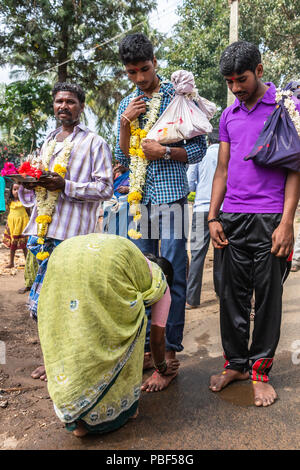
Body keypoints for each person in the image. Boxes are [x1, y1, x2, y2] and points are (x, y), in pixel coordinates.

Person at [208, 41, 300, 407]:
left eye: (241, 79)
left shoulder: (286, 110)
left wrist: (287, 222)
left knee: (268, 299)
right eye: (229, 81)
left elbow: (295, 169)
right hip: (232, 218)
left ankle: (260, 371)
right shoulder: (229, 116)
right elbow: (222, 169)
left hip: (270, 220)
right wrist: (213, 217)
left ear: (259, 71)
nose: (235, 88)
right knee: (230, 295)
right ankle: (236, 364)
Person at [115, 33, 207, 389]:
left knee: (173, 275)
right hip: (137, 204)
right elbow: (123, 158)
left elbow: (199, 149)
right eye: (132, 72)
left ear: (155, 61)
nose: (139, 78)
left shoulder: (177, 97)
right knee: (141, 279)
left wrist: (165, 153)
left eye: (145, 69)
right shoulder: (128, 103)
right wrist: (125, 124)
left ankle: (169, 354)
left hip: (170, 199)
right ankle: (146, 350)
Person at [37, 233, 179, 437]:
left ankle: (73, 413)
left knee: (74, 331)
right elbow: (157, 339)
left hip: (63, 255)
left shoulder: (134, 262)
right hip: (100, 264)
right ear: (166, 278)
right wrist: (162, 367)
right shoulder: (160, 282)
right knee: (129, 327)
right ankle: (110, 414)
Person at [18, 82, 113, 380]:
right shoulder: (48, 142)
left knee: (60, 303)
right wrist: (26, 186)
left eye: (70, 101)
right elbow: (37, 194)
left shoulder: (95, 143)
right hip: (41, 235)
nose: (63, 106)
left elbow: (105, 188)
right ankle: (56, 359)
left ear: (81, 107)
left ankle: (67, 362)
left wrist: (66, 185)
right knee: (46, 304)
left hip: (72, 238)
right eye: (59, 101)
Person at [185, 129, 221, 309]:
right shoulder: (227, 153)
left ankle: (192, 299)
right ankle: (222, 294)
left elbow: (190, 183)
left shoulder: (201, 154)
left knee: (198, 254)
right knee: (222, 253)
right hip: (222, 210)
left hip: (201, 209)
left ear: (208, 141)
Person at [2, 183, 29, 268]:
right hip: (12, 225)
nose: (16, 192)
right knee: (12, 246)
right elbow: (10, 213)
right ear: (11, 191)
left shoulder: (24, 202)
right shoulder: (10, 202)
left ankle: (27, 263)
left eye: (18, 189)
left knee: (24, 246)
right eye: (14, 189)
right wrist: (7, 223)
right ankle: (11, 263)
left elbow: (28, 213)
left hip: (22, 224)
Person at [102, 163, 130, 237]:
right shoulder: (116, 174)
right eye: (117, 164)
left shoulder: (133, 174)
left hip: (126, 207)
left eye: (121, 162)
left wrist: (128, 189)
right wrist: (112, 173)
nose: (119, 165)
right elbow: (106, 188)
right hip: (112, 206)